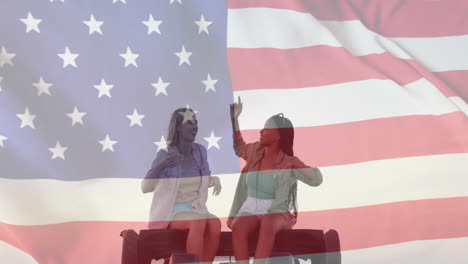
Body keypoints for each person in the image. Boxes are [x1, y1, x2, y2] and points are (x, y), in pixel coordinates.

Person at [227, 97, 323, 264]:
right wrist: (234, 119)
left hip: (276, 211)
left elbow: (316, 180)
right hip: (250, 207)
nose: (261, 131)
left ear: (279, 134)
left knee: (268, 222)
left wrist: (296, 163)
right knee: (238, 226)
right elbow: (239, 147)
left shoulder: (287, 161)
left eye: (266, 128)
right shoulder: (255, 151)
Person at [141, 107, 222, 263]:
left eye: (196, 123)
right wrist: (161, 166)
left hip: (197, 207)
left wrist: (214, 179)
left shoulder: (200, 151)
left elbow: (200, 179)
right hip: (174, 210)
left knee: (215, 223)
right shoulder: (165, 154)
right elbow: (145, 188)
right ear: (178, 127)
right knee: (198, 221)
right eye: (190, 123)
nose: (195, 127)